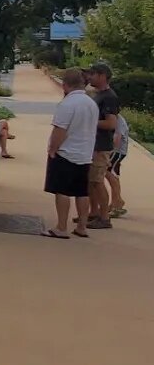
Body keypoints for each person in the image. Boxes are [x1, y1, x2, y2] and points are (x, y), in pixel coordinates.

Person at [42, 67, 98, 239]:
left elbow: (60, 130)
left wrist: (53, 149)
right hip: (85, 153)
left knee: (62, 191)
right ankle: (82, 226)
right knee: (82, 192)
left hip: (66, 153)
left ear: (65, 85)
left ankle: (61, 227)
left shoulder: (67, 104)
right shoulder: (91, 104)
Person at [84, 63, 121, 230]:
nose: (89, 77)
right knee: (91, 182)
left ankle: (104, 217)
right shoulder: (99, 95)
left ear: (102, 76)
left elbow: (111, 123)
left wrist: (89, 122)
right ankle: (94, 213)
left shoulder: (109, 97)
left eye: (93, 74)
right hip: (94, 144)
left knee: (98, 181)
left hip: (101, 146)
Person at [107, 113, 130, 219]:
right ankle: (116, 202)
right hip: (116, 151)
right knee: (113, 174)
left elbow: (117, 137)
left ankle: (118, 202)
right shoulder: (114, 116)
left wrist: (110, 153)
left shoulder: (118, 119)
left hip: (117, 151)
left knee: (109, 173)